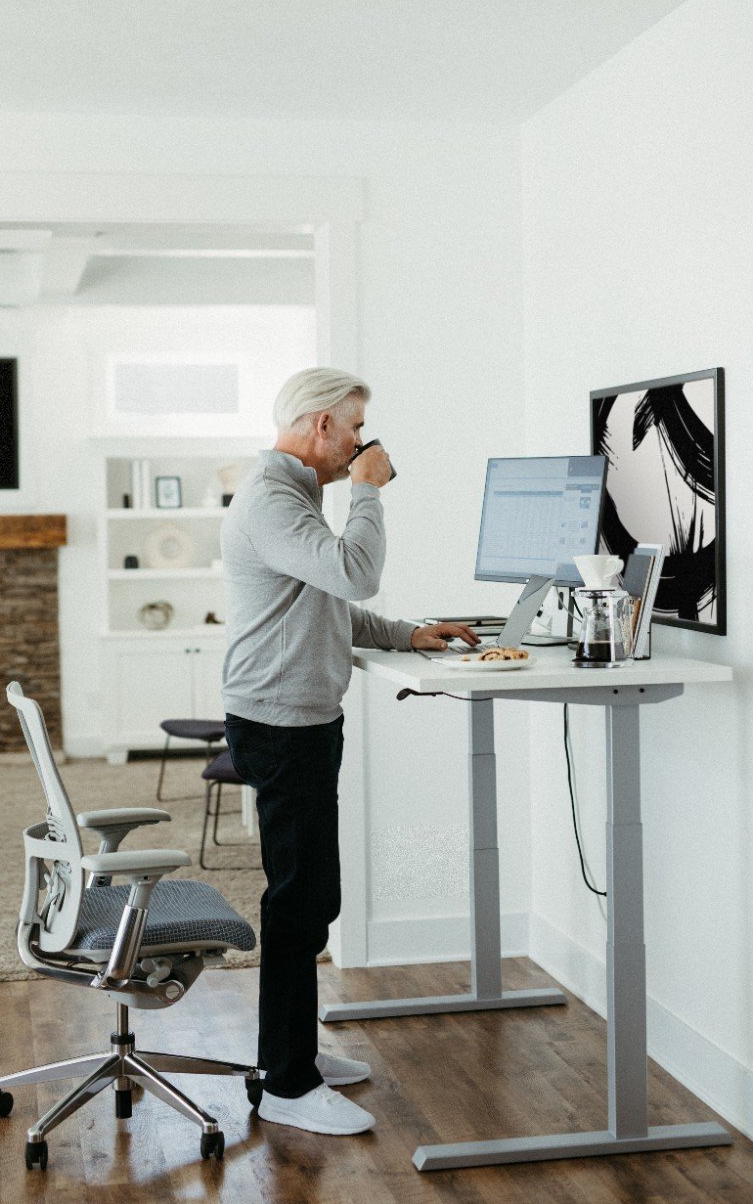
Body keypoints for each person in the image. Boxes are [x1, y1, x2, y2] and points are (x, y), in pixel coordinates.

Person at [221, 367, 478, 1136]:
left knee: (311, 896)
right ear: (318, 426)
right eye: (356, 429)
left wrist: (410, 635)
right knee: (299, 902)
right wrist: (370, 489)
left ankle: (290, 1055)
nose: (364, 444)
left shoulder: (295, 499)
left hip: (294, 716)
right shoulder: (273, 500)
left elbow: (327, 602)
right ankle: (287, 1086)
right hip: (280, 721)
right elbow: (355, 574)